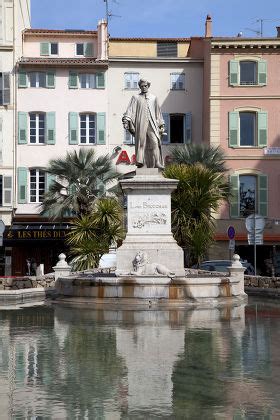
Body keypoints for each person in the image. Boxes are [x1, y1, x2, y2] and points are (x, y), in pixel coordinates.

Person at [122, 78, 165, 169]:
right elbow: (130, 110)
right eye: (142, 86)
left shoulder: (154, 98)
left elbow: (158, 113)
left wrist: (161, 125)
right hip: (141, 123)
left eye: (145, 86)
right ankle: (142, 163)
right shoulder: (136, 97)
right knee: (141, 144)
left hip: (152, 124)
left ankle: (157, 162)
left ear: (148, 86)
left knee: (155, 142)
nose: (144, 87)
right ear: (140, 87)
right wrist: (126, 121)